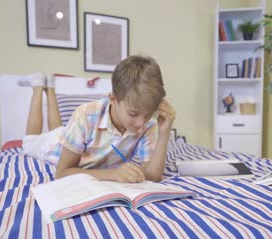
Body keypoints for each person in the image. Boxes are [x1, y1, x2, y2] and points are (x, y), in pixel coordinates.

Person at [19, 55, 175, 183]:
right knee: (30, 140)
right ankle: (38, 87)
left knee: (58, 128)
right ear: (113, 99)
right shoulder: (85, 115)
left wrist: (164, 132)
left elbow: (153, 177)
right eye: (133, 114)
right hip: (56, 145)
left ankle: (51, 87)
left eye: (148, 115)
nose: (141, 123)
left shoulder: (147, 121)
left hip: (71, 135)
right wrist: (111, 174)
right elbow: (61, 173)